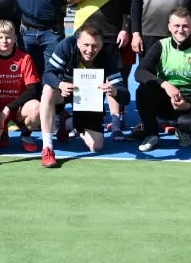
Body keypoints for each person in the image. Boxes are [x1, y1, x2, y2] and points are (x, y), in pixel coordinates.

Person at [66, 0, 131, 139]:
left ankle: (116, 123)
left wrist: (125, 29)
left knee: (112, 79)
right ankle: (81, 122)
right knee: (84, 78)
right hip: (83, 33)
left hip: (111, 32)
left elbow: (127, 3)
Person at [38, 25, 130, 167]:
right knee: (47, 90)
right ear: (78, 42)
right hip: (65, 92)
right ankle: (47, 148)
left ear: (101, 45)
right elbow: (47, 74)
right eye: (86, 45)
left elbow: (126, 97)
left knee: (96, 146)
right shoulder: (66, 46)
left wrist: (115, 91)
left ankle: (67, 123)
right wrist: (60, 84)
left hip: (89, 99)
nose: (90, 50)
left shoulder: (107, 57)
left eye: (95, 46)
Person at [132, 7, 191, 152]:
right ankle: (151, 134)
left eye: (185, 26)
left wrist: (188, 104)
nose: (180, 30)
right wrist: (165, 84)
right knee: (143, 90)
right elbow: (140, 72)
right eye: (177, 26)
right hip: (165, 97)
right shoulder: (160, 46)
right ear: (169, 27)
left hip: (187, 99)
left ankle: (182, 130)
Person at [0, 20, 43, 154]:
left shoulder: (25, 58)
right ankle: (2, 133)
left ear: (15, 38)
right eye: (0, 37)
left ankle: (26, 135)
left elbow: (32, 90)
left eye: (8, 37)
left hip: (18, 110)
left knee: (36, 107)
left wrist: (8, 108)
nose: (4, 41)